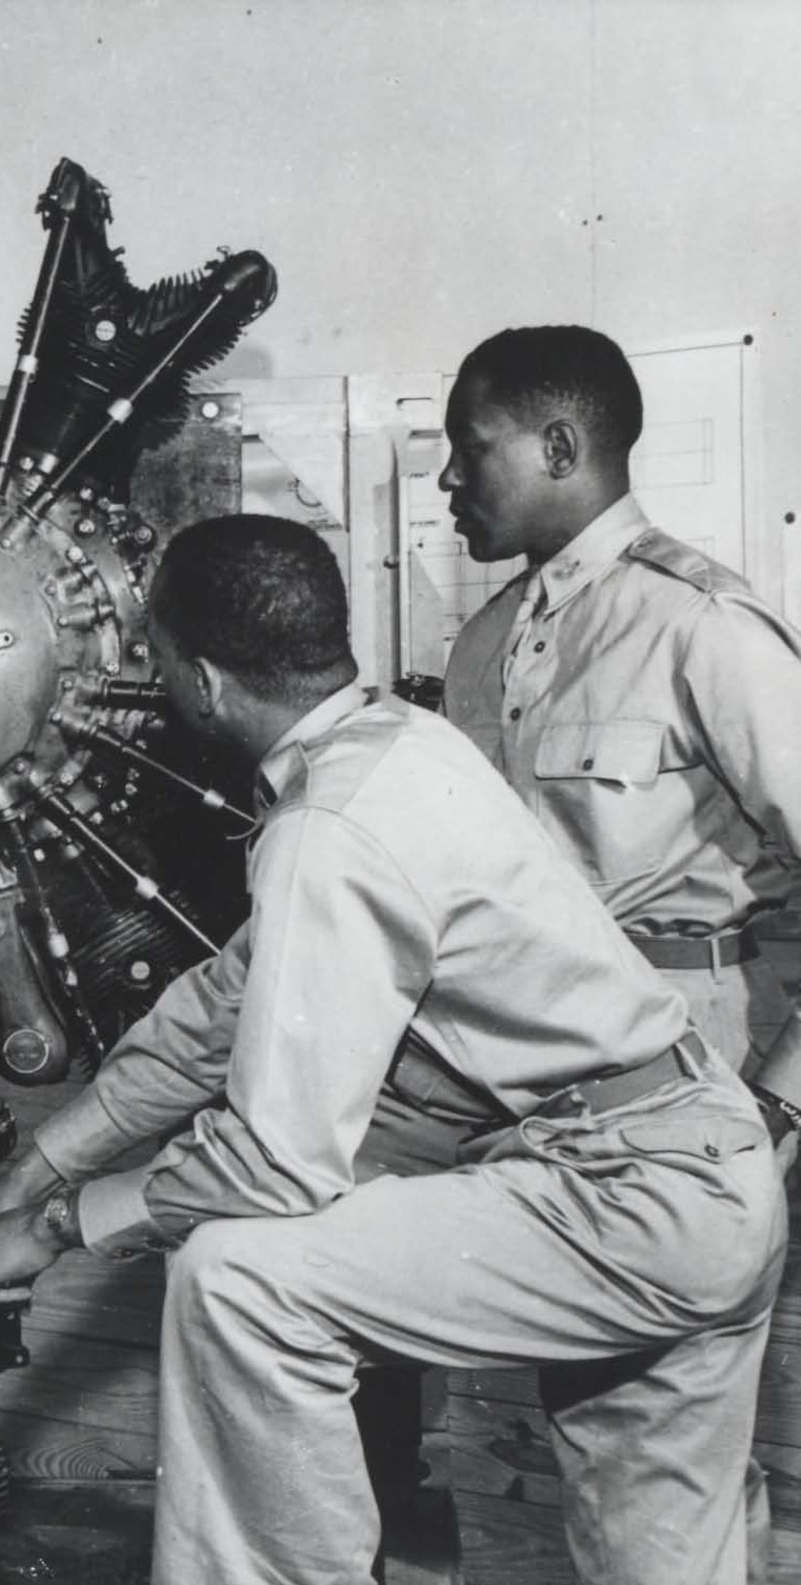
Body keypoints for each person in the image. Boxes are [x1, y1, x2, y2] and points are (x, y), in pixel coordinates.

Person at [0, 513, 787, 1585]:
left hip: (621, 1195)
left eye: (157, 660)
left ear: (203, 681)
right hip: (703, 1175)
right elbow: (207, 1015)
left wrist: (46, 1229)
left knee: (238, 1276)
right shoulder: (400, 748)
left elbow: (276, 1163)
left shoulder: (331, 826)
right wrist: (24, 1175)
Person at [438, 325, 801, 1576]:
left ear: (556, 444)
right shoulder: (485, 646)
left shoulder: (699, 625)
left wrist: (778, 1101)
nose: (443, 480)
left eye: (463, 448)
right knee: (642, 1451)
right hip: (537, 1075)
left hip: (693, 1063)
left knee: (644, 1450)